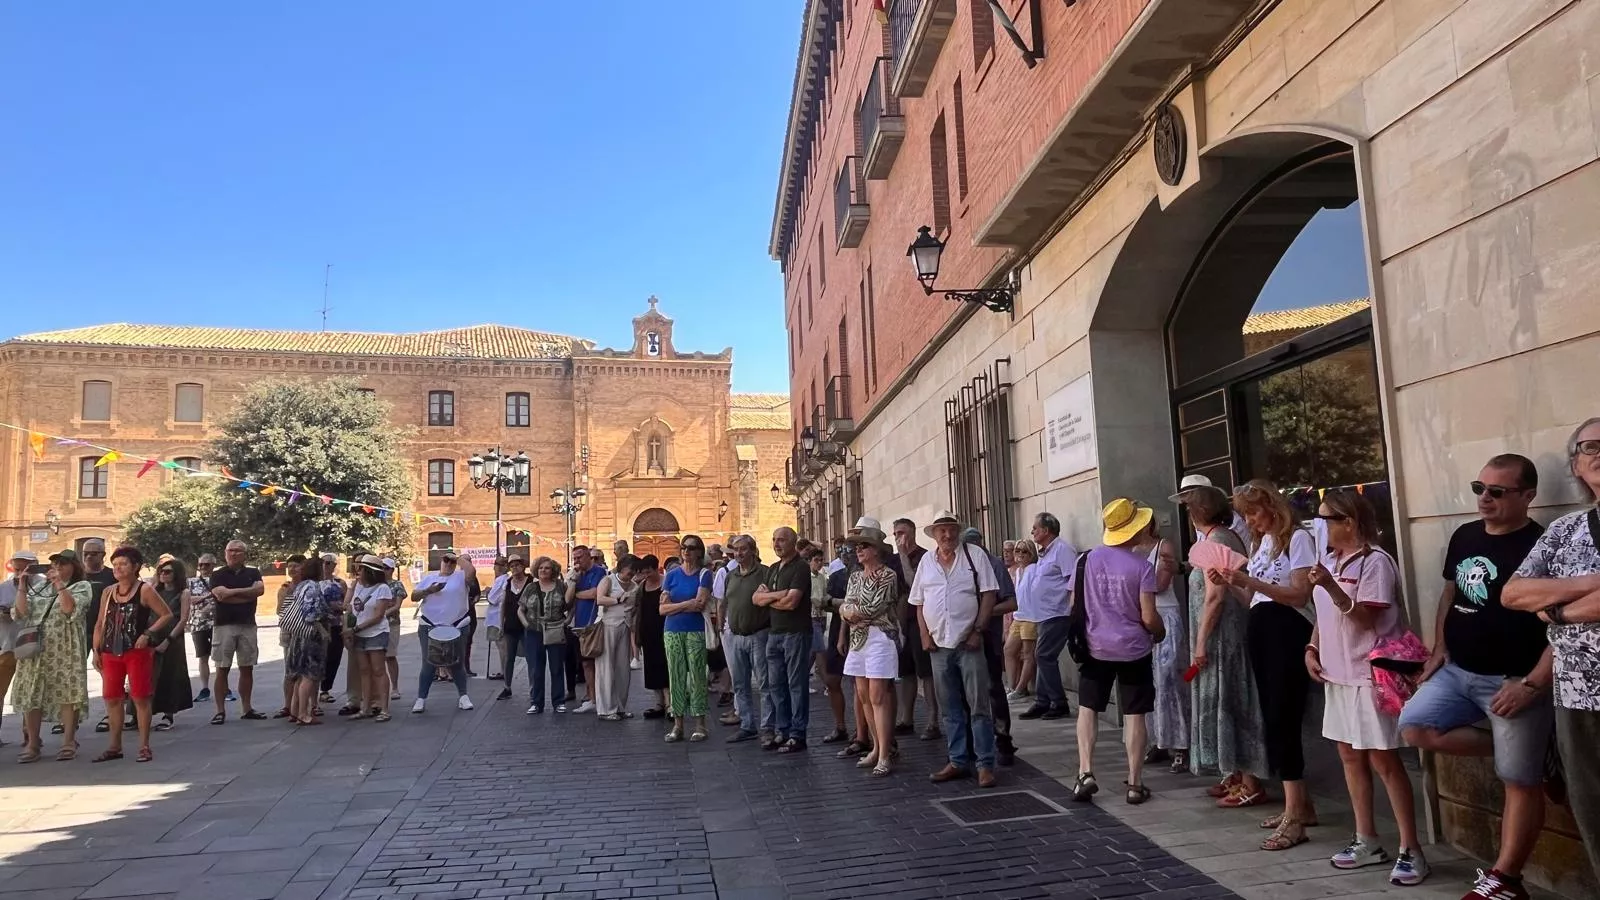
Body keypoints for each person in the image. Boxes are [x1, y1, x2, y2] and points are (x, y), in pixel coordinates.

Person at [1305, 490, 1427, 885]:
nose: (1319, 526)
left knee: (1384, 761)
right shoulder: (1328, 559)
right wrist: (1312, 647)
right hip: (1336, 675)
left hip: (1369, 675)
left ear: (1349, 523)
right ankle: (1366, 839)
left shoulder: (1377, 562)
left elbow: (1364, 620)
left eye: (1325, 519)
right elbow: (1323, 615)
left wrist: (1331, 586)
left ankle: (1412, 848)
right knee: (1349, 756)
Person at [1504, 418, 1600, 881]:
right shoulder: (1565, 531)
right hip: (1578, 697)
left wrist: (1556, 609)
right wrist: (1587, 586)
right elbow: (1514, 594)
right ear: (1577, 466)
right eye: (1589, 447)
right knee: (1594, 812)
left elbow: (1539, 600)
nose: (1599, 452)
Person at [1213, 480, 1318, 851]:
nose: (1252, 522)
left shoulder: (1297, 539)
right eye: (1246, 516)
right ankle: (1298, 804)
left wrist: (1251, 580)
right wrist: (1232, 584)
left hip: (1287, 631)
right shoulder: (1262, 544)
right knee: (1274, 716)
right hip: (1263, 630)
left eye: (1254, 513)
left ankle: (1295, 813)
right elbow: (1253, 597)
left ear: (1272, 507)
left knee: (1282, 716)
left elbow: (1299, 594)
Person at [1067, 500, 1165, 804]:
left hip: (1095, 648)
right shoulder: (1143, 567)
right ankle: (1135, 784)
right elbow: (1149, 617)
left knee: (1088, 709)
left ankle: (1085, 772)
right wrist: (1159, 632)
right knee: (1135, 714)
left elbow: (1073, 606)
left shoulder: (1085, 561)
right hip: (1134, 649)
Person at [1183, 485, 1267, 808]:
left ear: (1196, 514)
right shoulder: (1220, 538)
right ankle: (1234, 772)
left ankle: (1249, 780)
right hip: (1224, 632)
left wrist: (1201, 642)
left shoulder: (1217, 540)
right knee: (1225, 699)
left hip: (1222, 636)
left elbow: (1215, 597)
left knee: (1230, 698)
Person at [911, 511, 1001, 788]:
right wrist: (925, 636)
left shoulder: (974, 555)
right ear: (934, 535)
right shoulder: (927, 560)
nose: (947, 535)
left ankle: (985, 764)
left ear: (957, 531)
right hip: (939, 645)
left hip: (969, 643)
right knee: (950, 708)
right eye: (941, 531)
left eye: (951, 530)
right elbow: (918, 602)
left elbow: (989, 594)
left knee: (979, 706)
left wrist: (978, 631)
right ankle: (958, 760)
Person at [91, 546, 176, 763]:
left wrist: (148, 634)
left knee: (140, 697)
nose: (118, 568)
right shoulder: (108, 592)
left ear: (135, 567)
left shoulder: (144, 590)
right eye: (116, 564)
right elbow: (100, 623)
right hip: (111, 651)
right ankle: (114, 746)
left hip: (136, 651)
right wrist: (96, 649)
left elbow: (166, 614)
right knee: (112, 698)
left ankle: (144, 745)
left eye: (123, 564)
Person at [12, 549, 91, 761]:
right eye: (54, 565)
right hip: (35, 648)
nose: (57, 568)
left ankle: (68, 741)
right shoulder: (39, 587)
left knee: (67, 692)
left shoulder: (82, 586)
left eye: (63, 564)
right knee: (32, 693)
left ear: (74, 567)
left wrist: (59, 585)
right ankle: (33, 743)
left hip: (65, 648)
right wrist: (22, 584)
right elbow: (20, 613)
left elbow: (68, 610)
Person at [1127, 515, 1187, 773]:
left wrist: (1132, 582)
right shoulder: (1128, 550)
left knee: (1168, 680)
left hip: (1164, 615)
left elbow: (1161, 584)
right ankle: (1158, 740)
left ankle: (1181, 745)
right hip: (1139, 618)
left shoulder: (1164, 546)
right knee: (1147, 682)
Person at [840, 524, 901, 776]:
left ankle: (886, 753)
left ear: (876, 549)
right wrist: (848, 612)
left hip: (880, 637)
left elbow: (875, 607)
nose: (858, 550)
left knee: (878, 695)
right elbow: (846, 605)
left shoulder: (888, 575)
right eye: (856, 547)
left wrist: (851, 612)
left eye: (863, 546)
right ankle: (876, 747)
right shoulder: (854, 576)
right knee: (863, 694)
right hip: (858, 639)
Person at [960, 528, 1020, 766]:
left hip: (989, 639)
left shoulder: (994, 565)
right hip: (964, 640)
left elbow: (1012, 602)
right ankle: (972, 742)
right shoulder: (959, 564)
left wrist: (983, 613)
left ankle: (1003, 739)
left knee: (994, 689)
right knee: (966, 693)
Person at [754, 527, 812, 753]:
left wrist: (769, 599)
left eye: (782, 540)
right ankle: (783, 730)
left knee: (796, 685)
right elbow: (756, 598)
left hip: (795, 633)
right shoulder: (773, 569)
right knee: (776, 685)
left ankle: (798, 734)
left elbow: (792, 603)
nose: (777, 544)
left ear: (793, 542)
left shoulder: (801, 567)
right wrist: (779, 595)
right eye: (774, 539)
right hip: (774, 633)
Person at [1019, 513, 1078, 721]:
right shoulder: (1045, 553)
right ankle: (1043, 701)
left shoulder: (1062, 550)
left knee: (1044, 655)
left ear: (1046, 530)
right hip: (1044, 614)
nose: (1032, 531)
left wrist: (1071, 607)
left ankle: (1058, 702)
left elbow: (1073, 580)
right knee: (1041, 655)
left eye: (1035, 527)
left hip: (1058, 612)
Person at [660, 535, 713, 742]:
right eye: (683, 547)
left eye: (691, 547)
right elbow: (662, 609)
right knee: (676, 675)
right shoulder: (671, 575)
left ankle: (700, 724)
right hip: (672, 630)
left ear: (699, 551)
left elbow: (700, 604)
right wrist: (686, 605)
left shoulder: (704, 574)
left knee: (698, 676)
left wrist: (675, 605)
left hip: (696, 630)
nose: (686, 551)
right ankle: (678, 724)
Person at [892, 518, 940, 740]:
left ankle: (932, 720)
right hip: (901, 621)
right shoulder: (894, 560)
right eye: (895, 533)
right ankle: (906, 718)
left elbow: (914, 586)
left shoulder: (924, 557)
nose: (898, 537)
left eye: (901, 532)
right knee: (906, 672)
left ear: (911, 533)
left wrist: (903, 557)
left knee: (926, 672)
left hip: (920, 621)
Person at [410, 551, 476, 713]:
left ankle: (463, 696)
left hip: (456, 624)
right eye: (446, 560)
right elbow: (414, 596)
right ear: (440, 561)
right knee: (428, 663)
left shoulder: (461, 576)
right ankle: (421, 698)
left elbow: (472, 572)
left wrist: (458, 558)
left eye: (451, 561)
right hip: (430, 624)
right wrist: (429, 591)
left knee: (457, 662)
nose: (448, 563)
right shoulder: (429, 578)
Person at [208, 540, 266, 724]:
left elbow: (260, 590)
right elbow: (220, 595)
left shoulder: (253, 572)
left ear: (244, 554)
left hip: (247, 624)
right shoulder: (217, 574)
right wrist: (246, 594)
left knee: (246, 667)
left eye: (238, 551)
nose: (233, 554)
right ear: (225, 553)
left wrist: (232, 593)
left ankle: (247, 708)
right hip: (224, 625)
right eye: (230, 551)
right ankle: (220, 710)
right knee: (222, 668)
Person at [723, 535, 772, 744]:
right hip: (736, 636)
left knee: (764, 684)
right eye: (736, 550)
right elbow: (725, 601)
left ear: (752, 550)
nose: (738, 554)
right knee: (740, 684)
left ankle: (768, 727)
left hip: (759, 635)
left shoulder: (765, 573)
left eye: (743, 549)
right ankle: (747, 725)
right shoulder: (730, 575)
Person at [281, 556, 331, 726]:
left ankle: (295, 711)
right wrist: (323, 631)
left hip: (298, 634)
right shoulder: (313, 587)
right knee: (309, 675)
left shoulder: (301, 586)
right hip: (311, 636)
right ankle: (304, 713)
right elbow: (311, 613)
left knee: (299, 676)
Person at [806, 544, 847, 742]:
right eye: (816, 560)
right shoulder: (834, 576)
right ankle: (841, 726)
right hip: (819, 620)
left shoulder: (824, 577)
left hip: (825, 620)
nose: (820, 563)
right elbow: (820, 599)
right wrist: (837, 603)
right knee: (821, 657)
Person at [149, 559, 194, 731]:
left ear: (176, 574)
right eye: (161, 571)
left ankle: (169, 714)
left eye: (167, 571)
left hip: (172, 638)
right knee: (148, 675)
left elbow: (183, 619)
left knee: (170, 675)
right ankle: (139, 714)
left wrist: (168, 640)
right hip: (154, 634)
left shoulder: (183, 593)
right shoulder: (155, 590)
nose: (163, 574)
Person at [0, 550, 40, 743]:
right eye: (16, 566)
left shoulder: (43, 585)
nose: (19, 570)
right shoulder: (4, 587)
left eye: (23, 566)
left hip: (31, 646)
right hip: (6, 646)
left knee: (29, 693)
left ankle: (30, 736)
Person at [519, 556, 568, 714]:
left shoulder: (561, 586)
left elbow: (570, 605)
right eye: (540, 568)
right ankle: (536, 702)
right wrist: (526, 624)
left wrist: (567, 621)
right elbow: (520, 609)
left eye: (546, 568)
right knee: (536, 669)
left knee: (556, 667)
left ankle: (558, 701)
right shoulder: (531, 588)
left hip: (555, 629)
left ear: (552, 570)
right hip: (534, 632)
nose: (543, 570)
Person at [347, 555, 394, 720]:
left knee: (378, 670)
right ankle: (365, 707)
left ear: (369, 571)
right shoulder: (358, 587)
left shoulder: (383, 588)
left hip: (376, 633)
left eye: (360, 568)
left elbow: (379, 615)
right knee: (364, 671)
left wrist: (356, 628)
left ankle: (384, 709)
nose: (357, 571)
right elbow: (351, 608)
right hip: (359, 633)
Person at [594, 554, 639, 720]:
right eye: (629, 571)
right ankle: (606, 709)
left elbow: (634, 607)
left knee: (622, 668)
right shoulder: (608, 580)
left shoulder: (634, 585)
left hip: (624, 626)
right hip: (607, 625)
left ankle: (620, 706)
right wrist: (618, 599)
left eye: (634, 572)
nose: (631, 575)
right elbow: (599, 599)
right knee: (606, 667)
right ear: (621, 568)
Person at [565, 545, 606, 713]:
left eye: (579, 557)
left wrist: (577, 594)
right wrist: (573, 582)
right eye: (574, 558)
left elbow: (595, 593)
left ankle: (597, 697)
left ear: (589, 556)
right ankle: (591, 696)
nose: (576, 561)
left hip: (594, 623)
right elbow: (567, 600)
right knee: (585, 663)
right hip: (578, 625)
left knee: (594, 661)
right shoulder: (575, 575)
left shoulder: (599, 572)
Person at [635, 554, 670, 717]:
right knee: (651, 669)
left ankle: (670, 704)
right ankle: (659, 704)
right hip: (648, 633)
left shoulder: (666, 583)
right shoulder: (641, 587)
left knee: (666, 667)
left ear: (657, 569)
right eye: (644, 572)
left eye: (649, 572)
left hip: (665, 631)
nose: (647, 575)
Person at [1004, 539, 1038, 703]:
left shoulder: (1034, 569)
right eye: (1018, 551)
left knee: (1027, 654)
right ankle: (1013, 686)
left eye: (1025, 551)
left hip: (1031, 617)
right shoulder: (1018, 572)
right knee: (1009, 650)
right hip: (1018, 616)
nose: (1020, 554)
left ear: (1031, 554)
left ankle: (1020, 688)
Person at [187, 554, 220, 704]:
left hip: (217, 623)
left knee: (219, 658)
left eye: (207, 565)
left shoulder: (219, 580)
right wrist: (208, 596)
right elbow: (189, 600)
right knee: (202, 657)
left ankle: (222, 687)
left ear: (213, 565)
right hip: (198, 623)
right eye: (201, 565)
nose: (203, 568)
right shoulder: (192, 582)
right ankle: (205, 688)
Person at [318, 553, 348, 706]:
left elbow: (347, 602)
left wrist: (341, 607)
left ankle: (325, 689)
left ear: (334, 565)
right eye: (322, 562)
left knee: (334, 657)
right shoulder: (314, 582)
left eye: (328, 562)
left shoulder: (340, 583)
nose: (325, 565)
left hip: (336, 623)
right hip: (319, 625)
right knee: (319, 657)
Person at [382, 558, 406, 701]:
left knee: (390, 655)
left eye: (385, 568)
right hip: (376, 624)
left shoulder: (397, 585)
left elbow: (397, 605)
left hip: (391, 622)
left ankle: (395, 687)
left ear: (391, 570)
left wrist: (382, 614)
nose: (383, 570)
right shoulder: (376, 585)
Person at [485, 556, 508, 684]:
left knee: (501, 646)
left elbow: (492, 599)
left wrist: (488, 591)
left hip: (496, 618)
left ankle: (504, 671)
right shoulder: (506, 580)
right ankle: (504, 670)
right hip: (500, 617)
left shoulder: (500, 580)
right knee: (502, 646)